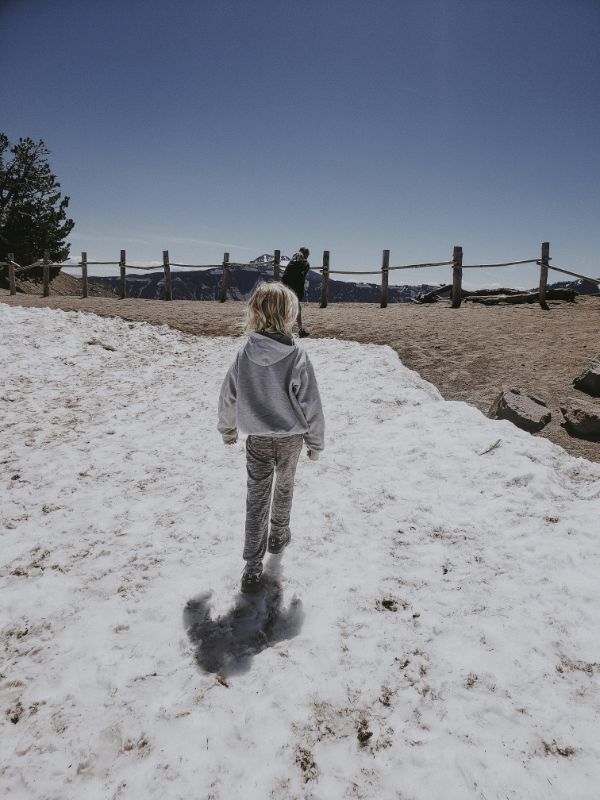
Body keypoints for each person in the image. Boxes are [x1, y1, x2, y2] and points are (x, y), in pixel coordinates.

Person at [217, 282, 325, 594]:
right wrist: (315, 443)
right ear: (289, 314)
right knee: (285, 487)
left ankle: (252, 565)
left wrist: (228, 430)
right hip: (291, 439)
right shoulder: (297, 356)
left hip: (257, 441)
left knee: (256, 498)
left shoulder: (244, 355)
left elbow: (228, 397)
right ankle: (278, 534)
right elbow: (311, 404)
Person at [282, 246, 311, 337]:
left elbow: (285, 275)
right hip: (295, 289)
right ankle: (299, 330)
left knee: (285, 308)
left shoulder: (291, 261)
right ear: (306, 254)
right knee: (297, 309)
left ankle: (281, 328)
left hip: (285, 287)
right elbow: (301, 278)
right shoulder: (305, 263)